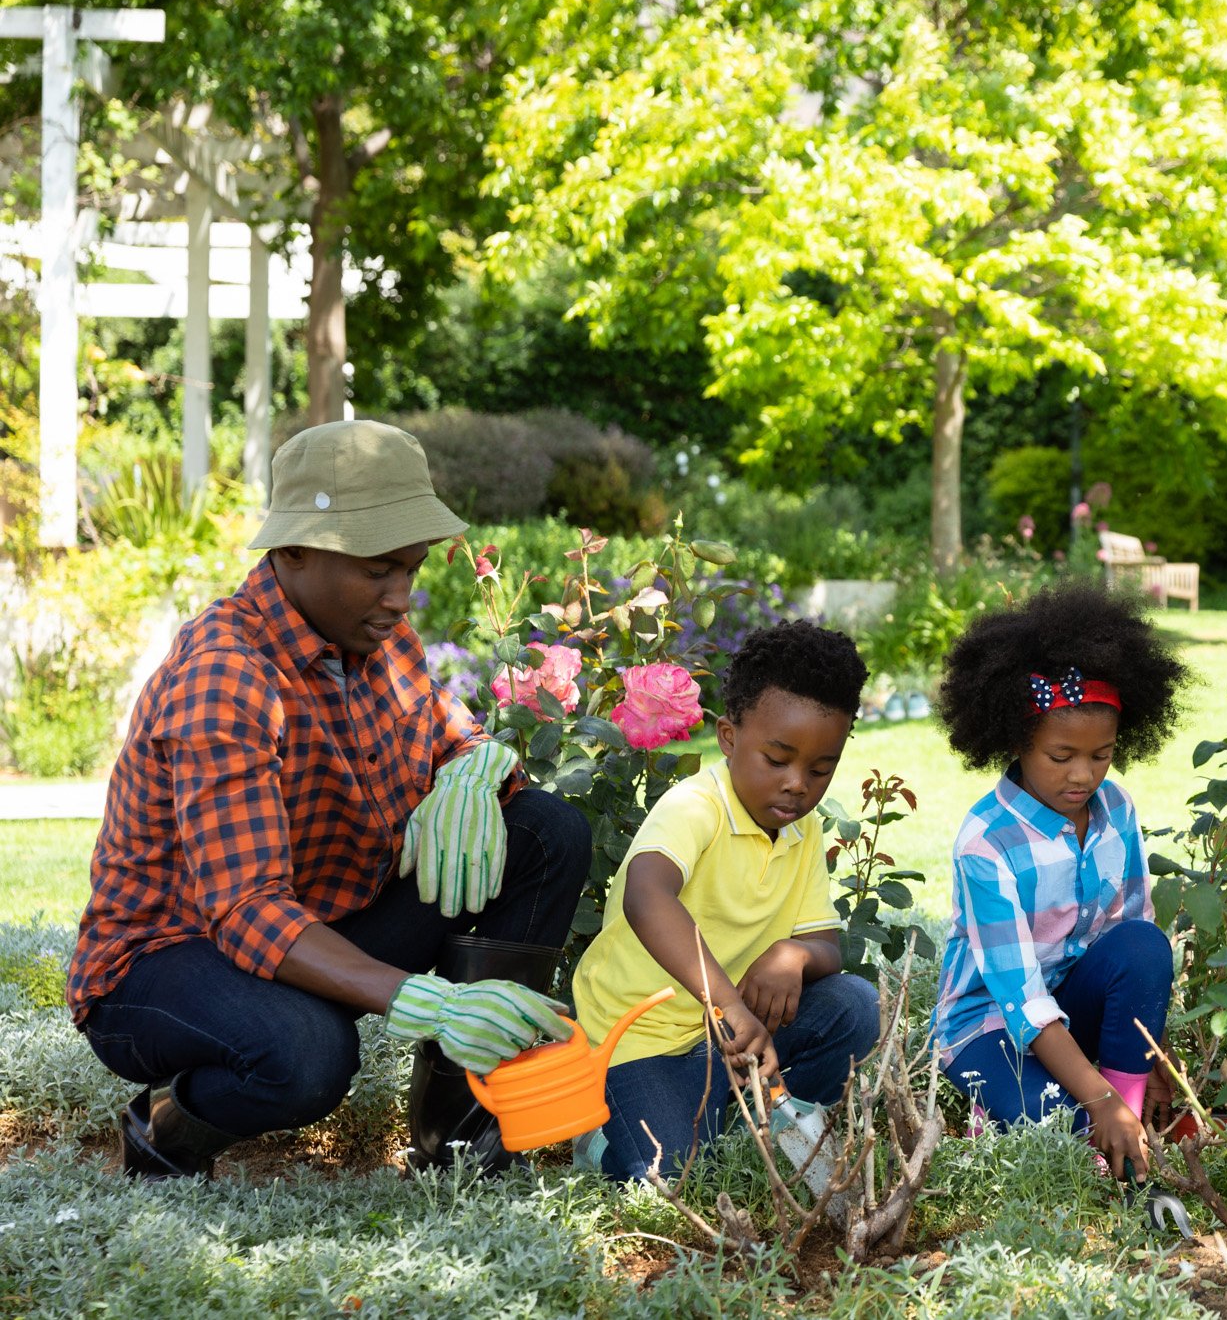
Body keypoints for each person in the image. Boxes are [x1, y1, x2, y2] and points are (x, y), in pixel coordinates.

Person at [70, 419, 590, 1179]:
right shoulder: (227, 677)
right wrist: (428, 1002)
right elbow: (246, 909)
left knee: (544, 830)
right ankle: (165, 1129)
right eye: (380, 569)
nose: (402, 597)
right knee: (308, 1054)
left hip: (312, 922)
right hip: (166, 960)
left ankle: (459, 1141)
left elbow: (452, 735)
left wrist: (474, 770)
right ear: (293, 552)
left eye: (410, 569)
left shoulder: (375, 639)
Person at [573, 620, 880, 1182]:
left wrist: (794, 955)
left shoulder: (799, 828)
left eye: (820, 769)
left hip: (734, 1042)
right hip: (640, 1043)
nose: (797, 785)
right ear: (729, 737)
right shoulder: (694, 807)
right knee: (667, 1176)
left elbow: (827, 945)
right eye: (778, 759)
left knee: (855, 1005)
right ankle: (603, 1132)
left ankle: (739, 1119)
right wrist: (729, 1006)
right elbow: (647, 897)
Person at [931, 583, 1191, 1182]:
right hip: (991, 1025)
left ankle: (1125, 1119)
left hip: (1074, 1003)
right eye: (1061, 755)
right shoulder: (986, 844)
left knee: (1144, 945)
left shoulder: (1115, 809)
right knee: (1065, 1137)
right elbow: (1020, 1000)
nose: (1083, 775)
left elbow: (1134, 942)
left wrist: (1147, 1053)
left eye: (1101, 755)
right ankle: (1083, 1115)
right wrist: (1092, 1101)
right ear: (1016, 741)